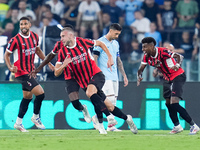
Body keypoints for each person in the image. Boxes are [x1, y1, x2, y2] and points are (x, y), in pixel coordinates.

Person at [54, 27, 138, 134]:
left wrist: (110, 57)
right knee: (109, 105)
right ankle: (128, 119)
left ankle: (108, 118)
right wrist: (64, 65)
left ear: (70, 35)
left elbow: (101, 43)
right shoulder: (62, 52)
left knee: (90, 93)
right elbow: (56, 72)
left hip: (96, 74)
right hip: (84, 81)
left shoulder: (82, 42)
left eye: (63, 36)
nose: (61, 39)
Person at [137, 37, 200, 135]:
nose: (143, 49)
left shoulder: (163, 51)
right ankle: (177, 126)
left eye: (145, 47)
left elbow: (179, 57)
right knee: (168, 103)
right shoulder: (146, 56)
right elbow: (141, 69)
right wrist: (139, 76)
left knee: (174, 103)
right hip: (167, 79)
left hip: (177, 75)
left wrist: (177, 65)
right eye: (142, 47)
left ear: (152, 46)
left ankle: (193, 126)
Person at [4, 16, 54, 132]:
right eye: (21, 24)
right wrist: (10, 67)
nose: (23, 26)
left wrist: (48, 63)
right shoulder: (15, 40)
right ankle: (36, 117)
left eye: (25, 24)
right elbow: (6, 55)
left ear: (30, 25)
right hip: (21, 72)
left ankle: (18, 123)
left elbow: (38, 51)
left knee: (27, 97)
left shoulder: (35, 37)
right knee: (40, 94)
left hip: (30, 71)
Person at [92, 23, 128, 132]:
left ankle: (110, 126)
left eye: (119, 34)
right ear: (110, 31)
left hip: (114, 76)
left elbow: (118, 60)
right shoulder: (100, 42)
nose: (117, 36)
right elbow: (95, 58)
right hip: (104, 76)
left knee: (114, 102)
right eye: (116, 33)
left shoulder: (116, 44)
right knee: (109, 99)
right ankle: (96, 118)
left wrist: (124, 75)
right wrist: (97, 74)